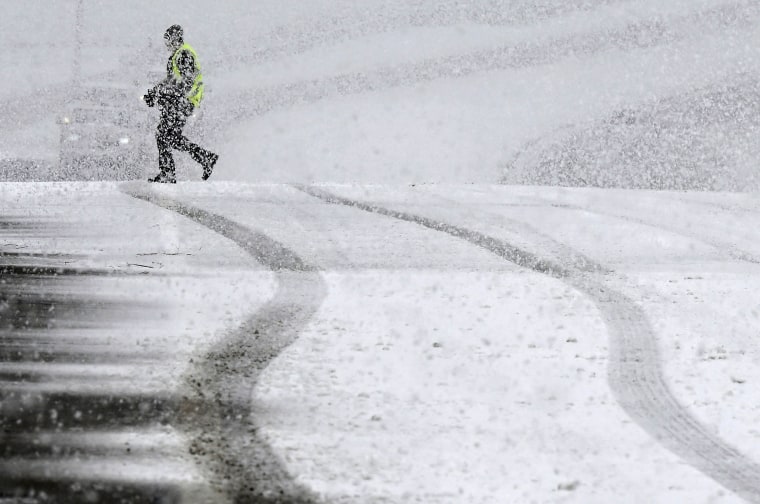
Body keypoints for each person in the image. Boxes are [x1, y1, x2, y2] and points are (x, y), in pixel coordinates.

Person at [143, 25, 218, 183]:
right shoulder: (176, 56)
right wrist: (155, 92)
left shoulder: (184, 54)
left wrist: (163, 93)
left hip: (183, 102)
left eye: (168, 40)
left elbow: (186, 83)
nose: (167, 45)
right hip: (177, 102)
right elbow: (171, 80)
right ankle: (205, 158)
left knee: (163, 135)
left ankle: (168, 173)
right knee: (169, 136)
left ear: (176, 39)